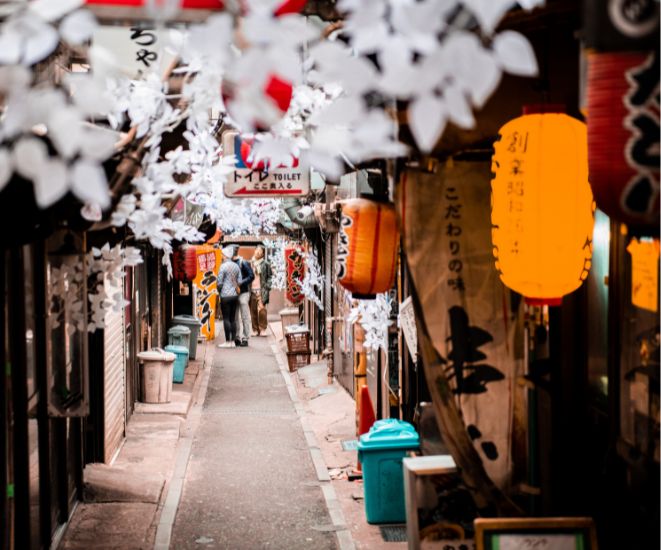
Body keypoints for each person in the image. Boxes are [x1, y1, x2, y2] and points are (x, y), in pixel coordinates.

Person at [216, 246, 241, 348]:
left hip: (225, 296)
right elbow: (239, 281)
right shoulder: (236, 266)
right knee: (232, 319)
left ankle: (227, 341)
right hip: (235, 295)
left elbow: (219, 282)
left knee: (226, 318)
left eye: (222, 254)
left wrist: (219, 291)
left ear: (225, 255)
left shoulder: (223, 266)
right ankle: (233, 342)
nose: (221, 256)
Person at [232, 246, 254, 347]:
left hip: (243, 292)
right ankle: (236, 337)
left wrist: (241, 282)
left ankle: (245, 337)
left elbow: (251, 276)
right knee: (235, 316)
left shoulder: (243, 262)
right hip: (232, 293)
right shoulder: (229, 263)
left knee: (244, 315)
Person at [250, 245, 272, 336]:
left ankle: (262, 329)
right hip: (251, 290)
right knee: (253, 311)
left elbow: (270, 277)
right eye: (257, 250)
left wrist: (267, 286)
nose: (258, 252)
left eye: (260, 251)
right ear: (254, 251)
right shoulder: (250, 263)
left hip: (262, 290)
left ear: (263, 253)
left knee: (262, 310)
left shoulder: (266, 264)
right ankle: (255, 330)